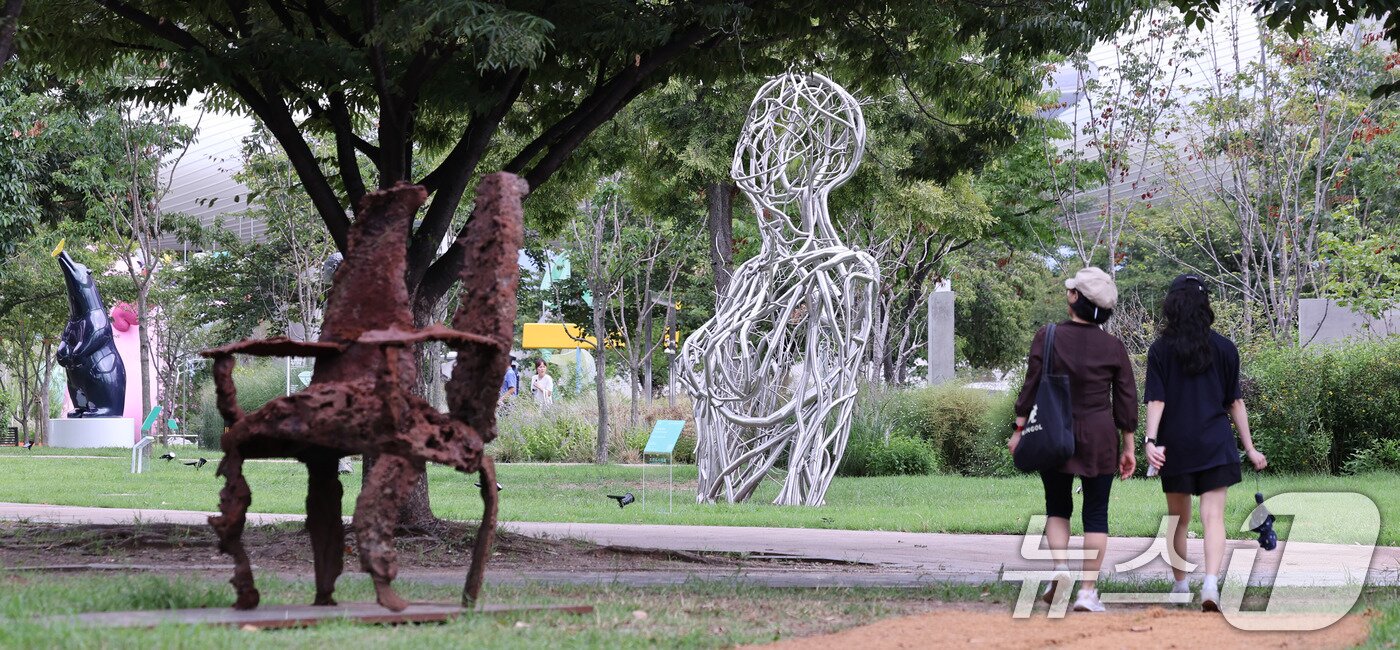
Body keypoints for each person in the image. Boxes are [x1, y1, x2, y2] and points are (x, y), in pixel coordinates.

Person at [1009, 266, 1138, 613]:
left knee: (1057, 505)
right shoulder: (1113, 347)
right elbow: (1126, 399)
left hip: (1054, 432)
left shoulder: (1047, 336)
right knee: (1097, 513)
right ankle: (1087, 593)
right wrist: (1129, 447)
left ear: (1073, 298)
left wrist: (1019, 430)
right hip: (1099, 436)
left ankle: (1060, 569)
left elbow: (1031, 385)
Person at [1143, 274, 1267, 612]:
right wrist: (1251, 447)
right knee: (1214, 518)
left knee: (1177, 521)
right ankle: (1210, 585)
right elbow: (1235, 402)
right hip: (1215, 443)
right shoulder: (1225, 347)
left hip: (1175, 446)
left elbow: (1156, 400)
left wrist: (1150, 440)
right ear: (1205, 306)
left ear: (1171, 306)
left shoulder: (1160, 350)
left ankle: (1180, 586)